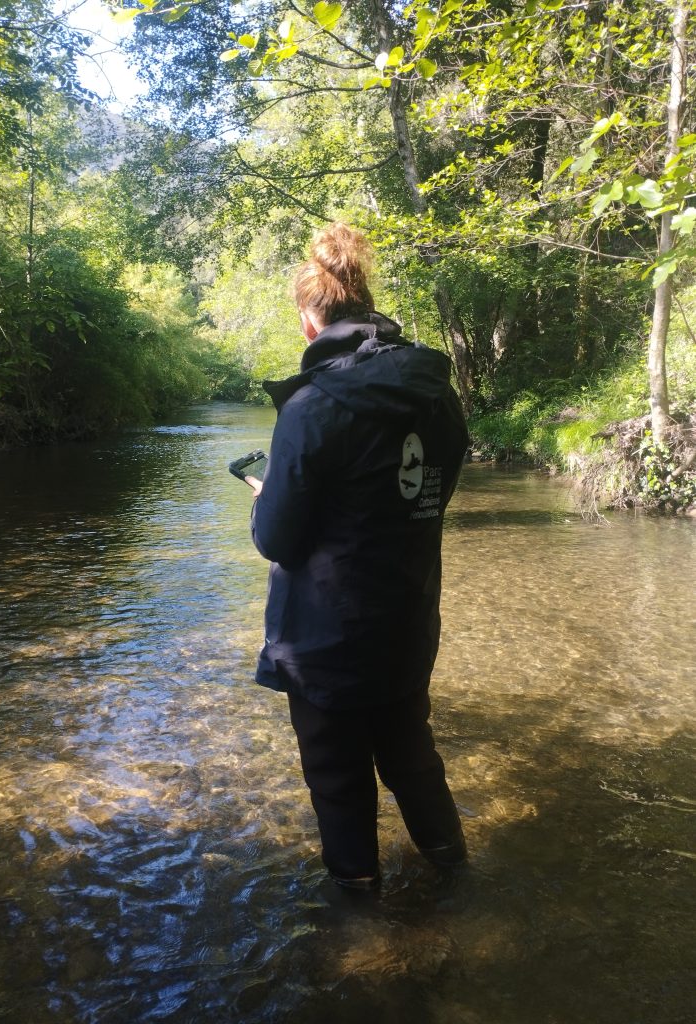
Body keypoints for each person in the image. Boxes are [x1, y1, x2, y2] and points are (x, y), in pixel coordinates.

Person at [246, 223, 469, 890]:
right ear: (367, 306)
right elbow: (427, 496)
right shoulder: (437, 394)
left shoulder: (311, 406)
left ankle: (358, 921)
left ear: (309, 321)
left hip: (326, 639)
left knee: (338, 778)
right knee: (411, 758)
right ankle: (457, 877)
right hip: (406, 619)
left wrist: (266, 496)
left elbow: (276, 539)